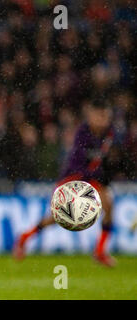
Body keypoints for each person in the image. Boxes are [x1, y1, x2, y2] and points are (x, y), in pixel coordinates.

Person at [13, 99, 118, 267]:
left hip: (93, 178)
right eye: (100, 116)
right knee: (59, 217)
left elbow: (105, 160)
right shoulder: (83, 133)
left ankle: (100, 250)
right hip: (73, 177)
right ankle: (25, 237)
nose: (103, 120)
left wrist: (105, 176)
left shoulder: (110, 133)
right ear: (91, 116)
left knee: (109, 206)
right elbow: (78, 163)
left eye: (106, 116)